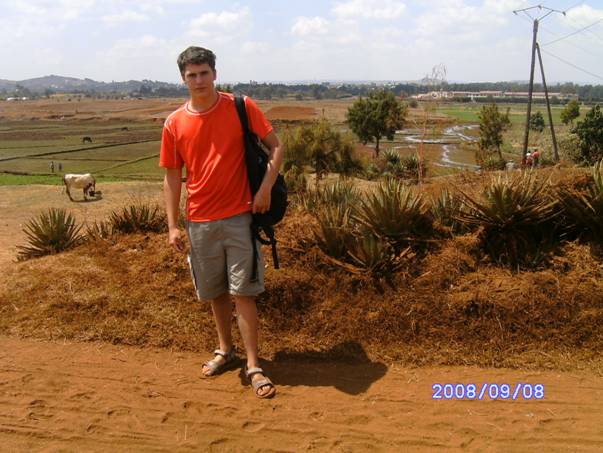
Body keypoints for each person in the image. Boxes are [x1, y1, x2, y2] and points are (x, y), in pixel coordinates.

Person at [160, 46, 284, 399]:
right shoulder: (174, 123)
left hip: (240, 217)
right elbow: (172, 176)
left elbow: (276, 147)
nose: (199, 80)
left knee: (243, 293)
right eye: (192, 75)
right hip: (199, 221)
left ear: (215, 73)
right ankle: (225, 350)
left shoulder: (240, 107)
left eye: (204, 73)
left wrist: (265, 189)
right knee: (215, 292)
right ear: (183, 78)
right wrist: (172, 225)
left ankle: (254, 365)